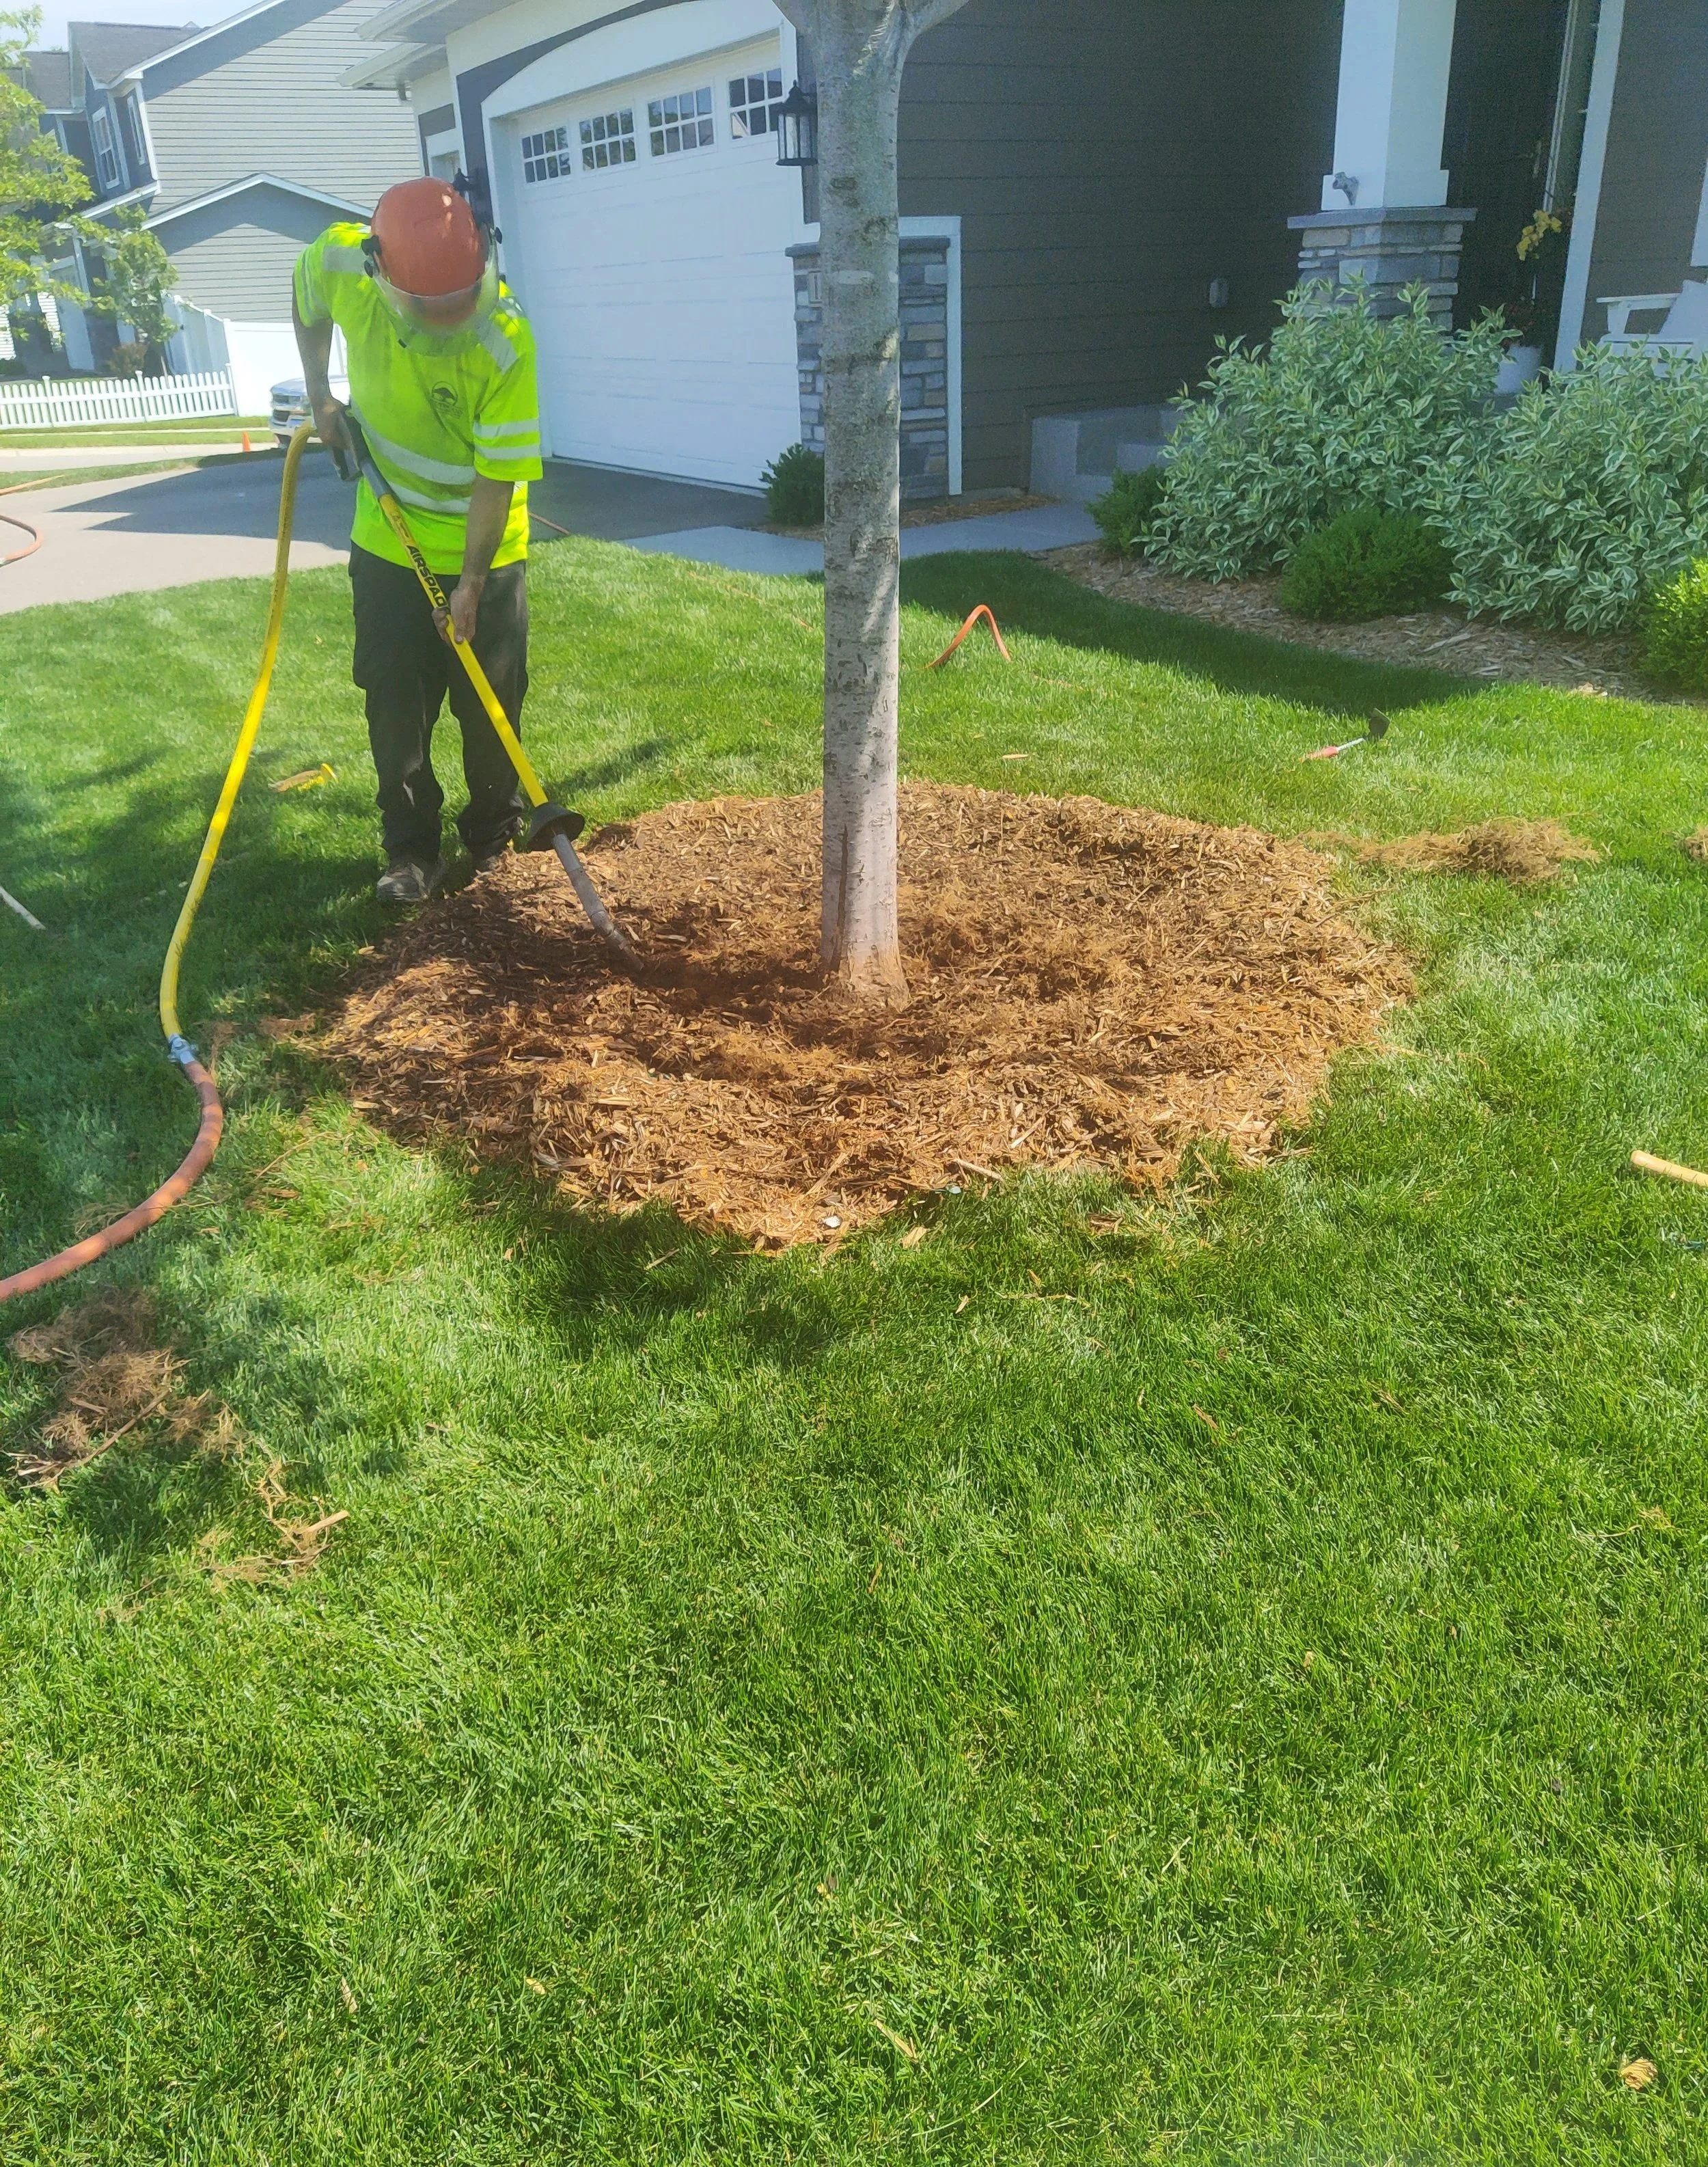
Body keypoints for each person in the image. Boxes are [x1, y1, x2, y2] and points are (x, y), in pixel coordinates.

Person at [292, 178, 543, 903]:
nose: (454, 316)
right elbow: (303, 296)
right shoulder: (344, 262)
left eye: (463, 297)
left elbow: (496, 480)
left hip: (484, 542)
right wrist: (320, 395)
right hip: (387, 536)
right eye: (433, 308)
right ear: (380, 275)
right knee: (393, 696)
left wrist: (469, 583)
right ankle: (410, 853)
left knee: (490, 702)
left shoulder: (506, 339)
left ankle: (495, 841)